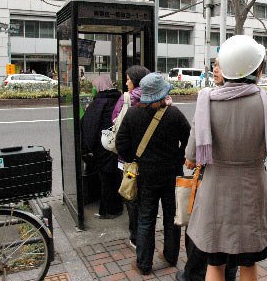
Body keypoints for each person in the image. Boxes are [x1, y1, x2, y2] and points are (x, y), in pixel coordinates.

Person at [185, 35, 267, 281]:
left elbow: (191, 154)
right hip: (252, 193)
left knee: (215, 263)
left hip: (215, 193)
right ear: (256, 70)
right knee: (249, 263)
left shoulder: (206, 102)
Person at [116, 73, 191, 275]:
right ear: (162, 94)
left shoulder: (132, 114)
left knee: (145, 218)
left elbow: (120, 145)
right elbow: (189, 139)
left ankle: (144, 264)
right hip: (171, 174)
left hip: (145, 176)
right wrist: (179, 156)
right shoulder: (174, 114)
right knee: (171, 216)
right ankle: (170, 255)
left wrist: (136, 158)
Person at [175, 57, 238, 281]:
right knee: (231, 232)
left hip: (210, 177)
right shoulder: (258, 99)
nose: (215, 69)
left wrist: (193, 158)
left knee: (201, 230)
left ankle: (193, 274)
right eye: (214, 65)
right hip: (241, 183)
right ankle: (228, 274)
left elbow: (191, 155)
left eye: (220, 65)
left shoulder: (208, 100)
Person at [111, 65, 151, 249]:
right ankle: (145, 235)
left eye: (128, 79)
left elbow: (114, 120)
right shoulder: (154, 98)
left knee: (130, 195)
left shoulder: (126, 98)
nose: (126, 82)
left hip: (127, 161)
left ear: (134, 80)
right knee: (145, 197)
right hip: (147, 158)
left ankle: (135, 236)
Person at [81, 75, 123, 219]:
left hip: (102, 147)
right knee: (116, 176)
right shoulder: (119, 98)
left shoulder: (98, 103)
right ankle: (118, 206)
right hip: (117, 145)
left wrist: (88, 148)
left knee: (105, 180)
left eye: (94, 86)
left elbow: (89, 127)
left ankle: (108, 210)